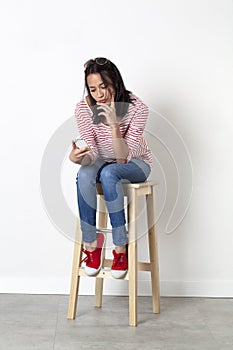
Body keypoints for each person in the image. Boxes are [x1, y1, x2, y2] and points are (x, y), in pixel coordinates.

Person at [69, 57, 152, 279]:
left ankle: (120, 248)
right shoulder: (83, 109)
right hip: (103, 161)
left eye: (104, 86)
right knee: (85, 173)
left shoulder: (137, 108)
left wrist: (115, 124)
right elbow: (93, 153)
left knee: (109, 172)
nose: (100, 94)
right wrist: (77, 158)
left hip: (136, 163)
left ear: (115, 82)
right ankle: (91, 244)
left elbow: (123, 158)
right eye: (93, 89)